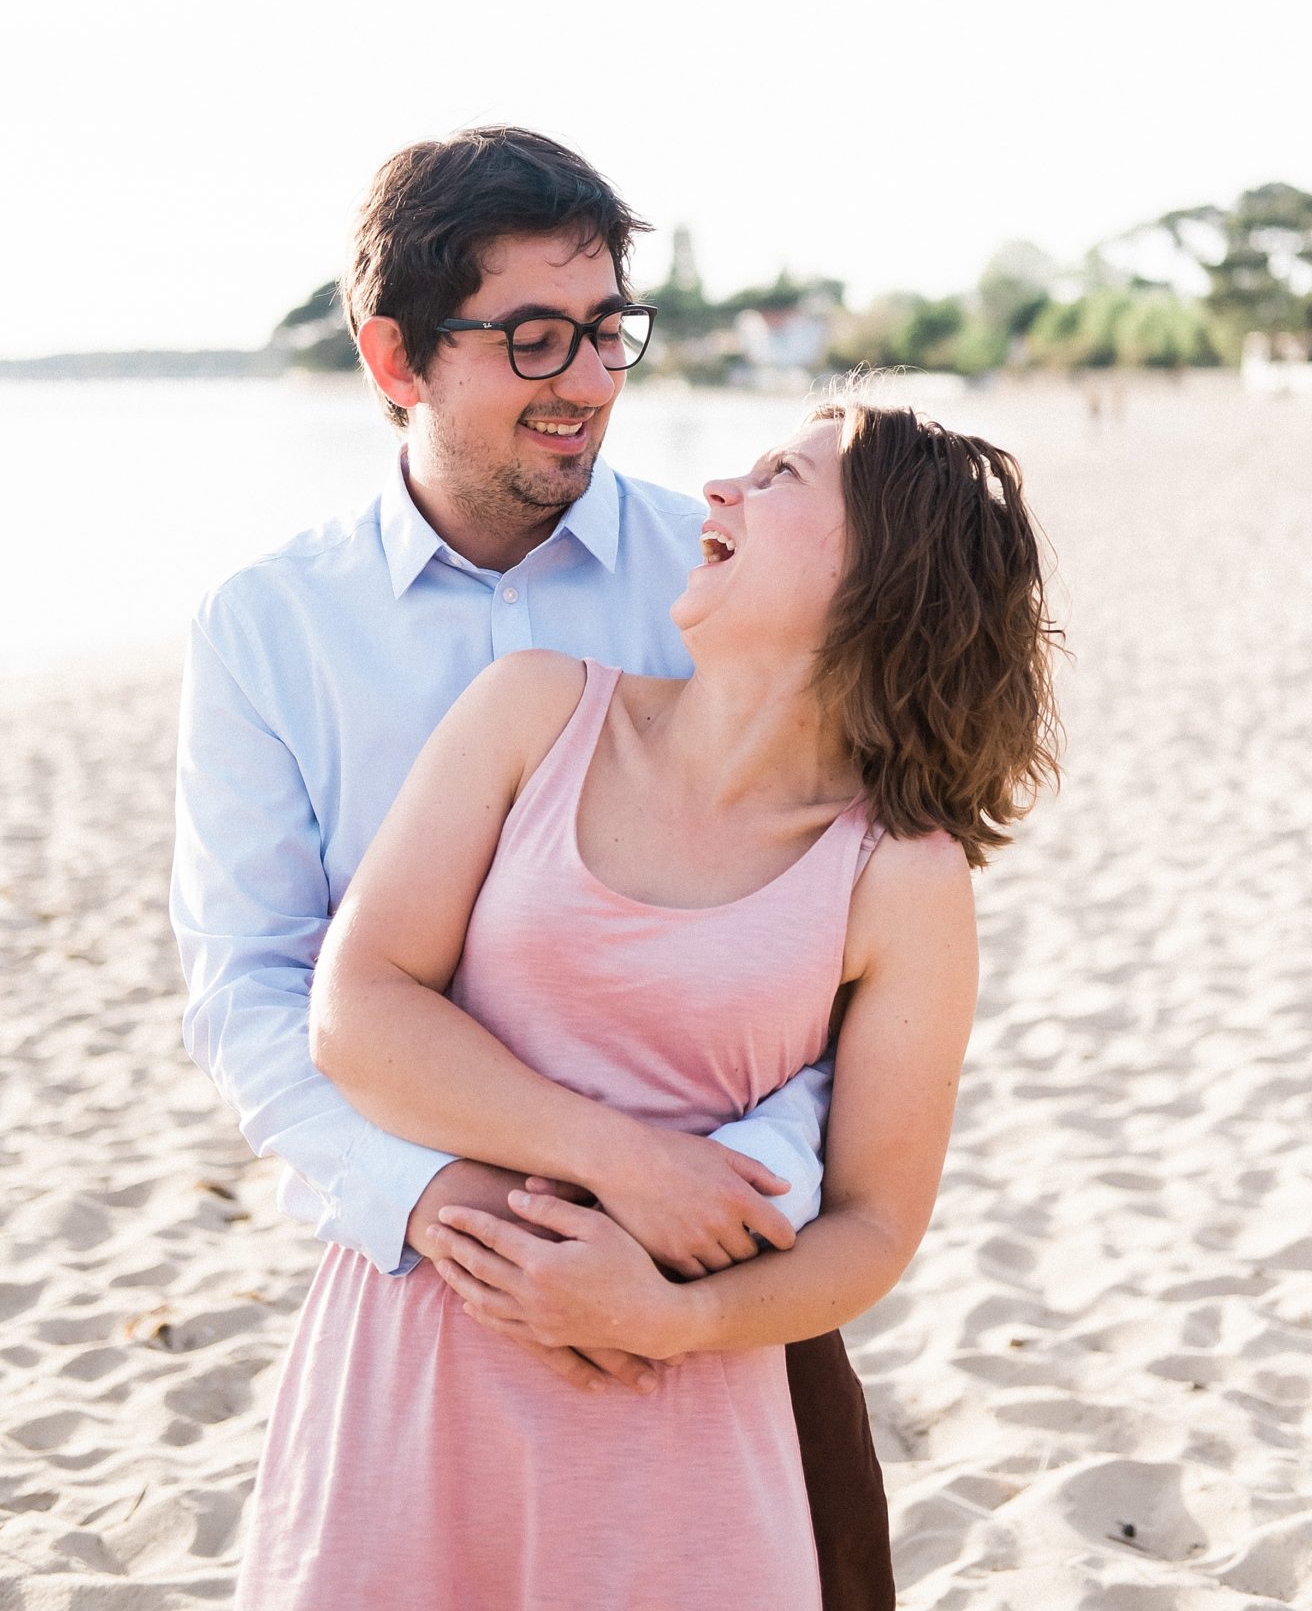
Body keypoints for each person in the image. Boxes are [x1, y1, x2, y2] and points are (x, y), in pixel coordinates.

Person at [171, 128, 895, 1608]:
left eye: (609, 331)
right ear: (396, 356)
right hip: (418, 1278)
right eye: (532, 337)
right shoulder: (268, 628)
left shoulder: (726, 577)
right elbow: (250, 984)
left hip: (704, 1279)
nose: (585, 382)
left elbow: (847, 940)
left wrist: (721, 1197)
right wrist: (425, 1191)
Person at [234, 391, 1060, 1609]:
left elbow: (876, 1228)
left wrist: (673, 1321)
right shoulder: (537, 707)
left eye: (782, 476)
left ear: (885, 574)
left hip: (669, 1415)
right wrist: (627, 1163)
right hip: (417, 1354)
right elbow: (358, 1007)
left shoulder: (900, 871)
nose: (721, 487)